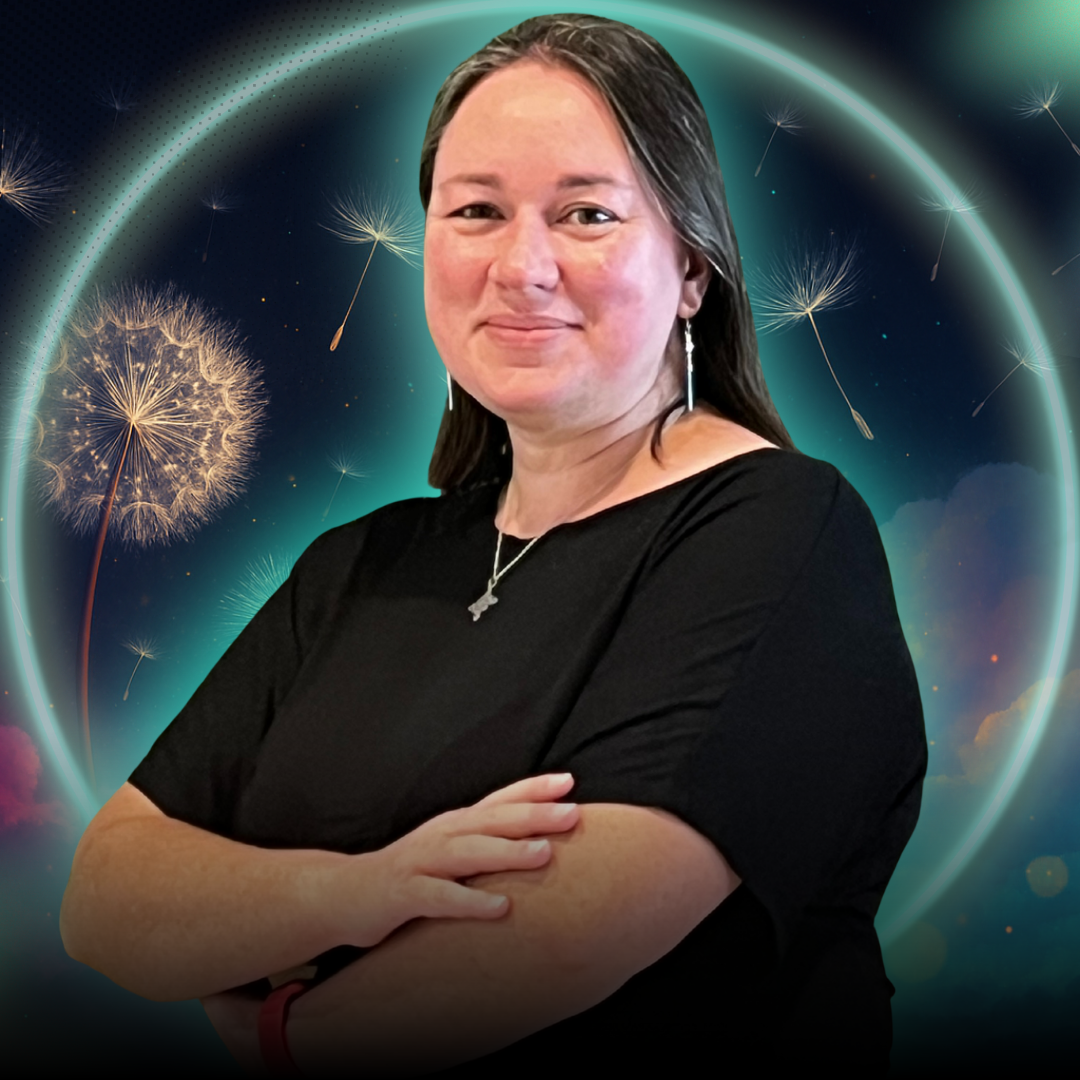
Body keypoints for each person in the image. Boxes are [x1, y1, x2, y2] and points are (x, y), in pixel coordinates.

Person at [60, 13, 926, 1076]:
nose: (523, 266)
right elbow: (108, 896)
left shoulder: (781, 531)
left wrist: (284, 1031)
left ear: (693, 271)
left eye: (587, 214)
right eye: (475, 210)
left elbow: (571, 935)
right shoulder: (356, 567)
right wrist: (365, 889)